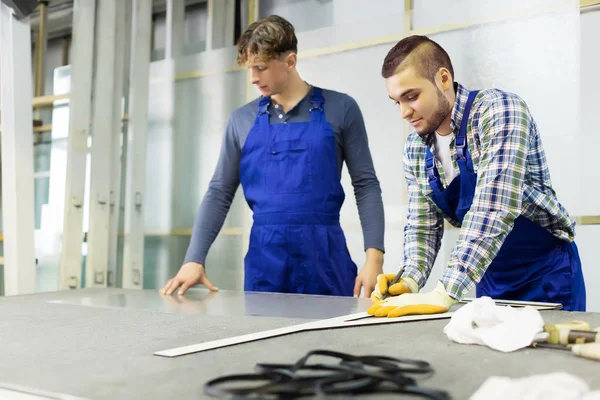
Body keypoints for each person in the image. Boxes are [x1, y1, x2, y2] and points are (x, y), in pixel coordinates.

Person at [160, 15, 385, 298]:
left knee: (331, 339)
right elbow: (219, 192)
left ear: (290, 61)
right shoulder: (241, 120)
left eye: (261, 68)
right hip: (266, 261)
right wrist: (194, 258)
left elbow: (366, 185)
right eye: (250, 68)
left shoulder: (341, 108)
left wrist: (374, 259)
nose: (253, 78)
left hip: (325, 257)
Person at [369, 35, 586, 318]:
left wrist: (446, 290)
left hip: (547, 276)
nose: (404, 112)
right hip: (489, 275)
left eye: (411, 96)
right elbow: (422, 226)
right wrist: (409, 278)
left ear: (443, 79)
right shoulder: (415, 149)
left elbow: (494, 207)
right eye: (396, 101)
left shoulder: (499, 111)